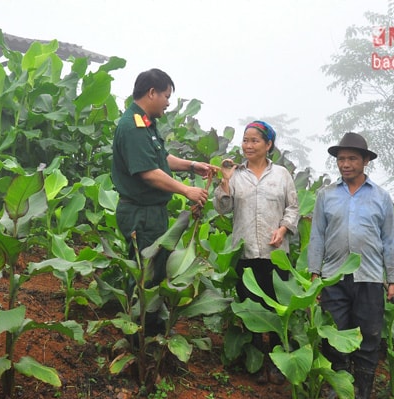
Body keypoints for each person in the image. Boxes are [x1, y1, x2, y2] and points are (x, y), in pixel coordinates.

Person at [111, 68, 215, 335]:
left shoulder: (145, 123)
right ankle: (142, 336)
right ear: (152, 93)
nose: (168, 102)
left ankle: (151, 330)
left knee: (156, 272)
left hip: (150, 212)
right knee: (147, 275)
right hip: (140, 213)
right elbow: (147, 172)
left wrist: (192, 166)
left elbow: (160, 159)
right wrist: (186, 191)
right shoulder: (133, 126)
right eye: (166, 96)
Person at [307, 132, 394, 399]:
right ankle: (338, 389)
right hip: (334, 277)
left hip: (369, 278)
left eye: (351, 159)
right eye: (341, 159)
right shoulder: (325, 196)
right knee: (334, 336)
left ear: (365, 162)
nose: (345, 164)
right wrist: (315, 276)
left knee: (369, 339)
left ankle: (362, 392)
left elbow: (391, 240)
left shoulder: (381, 197)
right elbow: (317, 237)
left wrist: (393, 281)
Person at [214, 120, 299, 385]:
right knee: (251, 311)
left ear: (268, 144)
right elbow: (222, 208)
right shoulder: (236, 175)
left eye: (254, 141)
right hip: (246, 254)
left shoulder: (282, 175)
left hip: (275, 255)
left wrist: (284, 228)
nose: (248, 145)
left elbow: (293, 208)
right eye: (245, 140)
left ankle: (275, 365)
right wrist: (225, 182)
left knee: (276, 311)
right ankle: (255, 364)